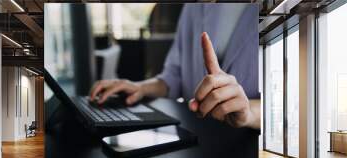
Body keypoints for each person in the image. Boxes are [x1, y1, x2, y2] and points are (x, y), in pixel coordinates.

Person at [89, 4, 261, 130]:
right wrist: (140, 87)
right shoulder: (192, 7)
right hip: (193, 137)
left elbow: (285, 104)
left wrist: (250, 113)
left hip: (251, 144)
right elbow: (175, 74)